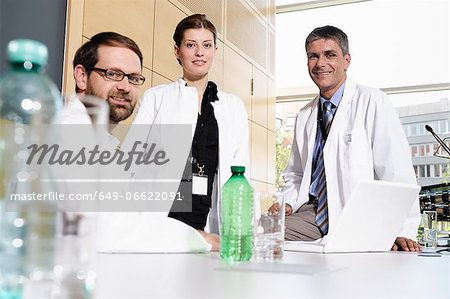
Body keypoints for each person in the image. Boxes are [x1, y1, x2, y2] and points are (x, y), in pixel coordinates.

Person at [60, 31, 218, 252]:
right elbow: (99, 229)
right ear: (81, 76)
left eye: (133, 78)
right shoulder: (67, 134)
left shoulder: (100, 143)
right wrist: (201, 239)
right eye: (113, 74)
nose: (125, 87)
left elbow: (124, 214)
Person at [271, 25, 420, 251]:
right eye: (313, 56)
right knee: (260, 232)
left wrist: (402, 230)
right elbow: (296, 173)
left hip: (357, 215)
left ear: (346, 60)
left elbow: (397, 172)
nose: (321, 63)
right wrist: (288, 202)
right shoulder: (305, 115)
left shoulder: (373, 102)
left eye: (330, 55)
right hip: (313, 213)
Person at [129, 14, 250, 244]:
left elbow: (242, 171)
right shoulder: (156, 98)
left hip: (210, 220)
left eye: (206, 45)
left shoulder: (233, 107)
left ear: (215, 50)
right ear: (177, 51)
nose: (199, 53)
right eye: (190, 45)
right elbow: (134, 164)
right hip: (163, 218)